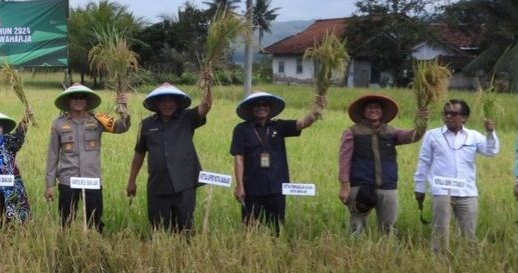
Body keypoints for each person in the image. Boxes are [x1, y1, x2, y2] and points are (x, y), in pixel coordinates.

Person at [230, 91, 325, 234]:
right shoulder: (241, 129)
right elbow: (239, 158)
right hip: (252, 187)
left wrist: (317, 109)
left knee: (276, 227)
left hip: (276, 186)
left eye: (265, 104)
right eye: (257, 105)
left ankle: (274, 248)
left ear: (270, 108)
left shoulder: (278, 126)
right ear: (250, 108)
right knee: (249, 227)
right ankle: (250, 253)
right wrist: (239, 186)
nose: (261, 108)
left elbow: (304, 123)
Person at [126, 78, 213, 233]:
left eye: (171, 101)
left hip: (184, 183)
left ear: (177, 103)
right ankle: (162, 253)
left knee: (185, 226)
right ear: (157, 104)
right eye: (163, 101)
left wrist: (207, 85)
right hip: (158, 184)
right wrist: (131, 180)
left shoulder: (187, 118)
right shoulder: (147, 124)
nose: (167, 104)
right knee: (159, 227)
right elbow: (139, 152)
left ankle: (183, 255)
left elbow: (205, 106)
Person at [413, 99, 498, 252]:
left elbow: (491, 151)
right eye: (445, 113)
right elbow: (424, 162)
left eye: (453, 114)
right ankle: (439, 262)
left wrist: (490, 132)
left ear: (464, 117)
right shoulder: (432, 135)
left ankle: (468, 261)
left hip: (467, 191)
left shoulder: (474, 136)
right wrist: (419, 187)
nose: (448, 117)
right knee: (440, 232)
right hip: (442, 190)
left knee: (469, 232)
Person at [45, 83, 130, 232]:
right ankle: (66, 248)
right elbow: (53, 155)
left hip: (91, 179)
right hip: (68, 179)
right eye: (74, 97)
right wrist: (49, 185)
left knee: (95, 220)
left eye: (82, 97)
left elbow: (122, 127)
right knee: (66, 220)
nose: (78, 101)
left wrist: (123, 108)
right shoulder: (58, 124)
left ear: (87, 101)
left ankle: (95, 249)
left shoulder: (99, 120)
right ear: (68, 101)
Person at [338, 94, 427, 235]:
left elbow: (413, 136)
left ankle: (388, 252)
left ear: (382, 111)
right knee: (357, 225)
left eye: (377, 107)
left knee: (388, 227)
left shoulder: (391, 131)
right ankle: (354, 253)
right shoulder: (352, 132)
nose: (374, 110)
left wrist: (422, 121)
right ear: (363, 111)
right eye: (370, 107)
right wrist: (344, 186)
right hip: (361, 185)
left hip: (387, 185)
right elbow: (344, 160)